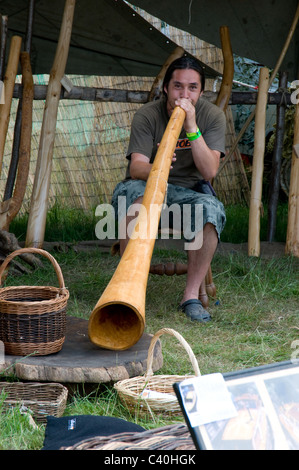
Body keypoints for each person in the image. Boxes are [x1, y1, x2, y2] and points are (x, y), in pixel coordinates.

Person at [111, 56, 226, 323]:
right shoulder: (147, 115)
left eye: (192, 88)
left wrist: (191, 127)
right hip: (149, 184)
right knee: (132, 198)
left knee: (210, 210)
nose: (184, 95)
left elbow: (209, 171)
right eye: (177, 87)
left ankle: (190, 297)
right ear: (166, 88)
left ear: (201, 90)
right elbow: (136, 167)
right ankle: (128, 288)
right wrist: (159, 164)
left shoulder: (211, 116)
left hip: (190, 191)